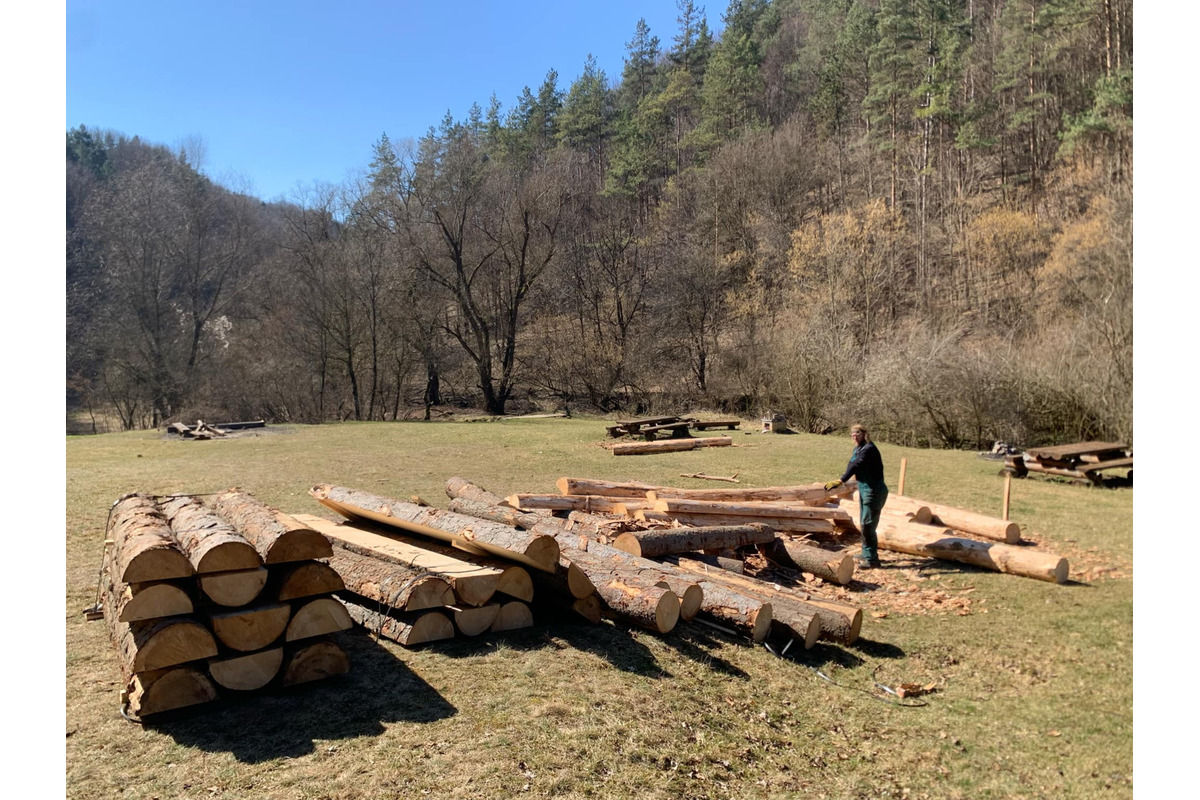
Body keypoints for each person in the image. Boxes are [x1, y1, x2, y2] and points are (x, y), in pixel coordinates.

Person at [825, 424, 887, 569]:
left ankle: (872, 560)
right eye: (852, 434)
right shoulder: (858, 448)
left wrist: (841, 481)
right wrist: (842, 478)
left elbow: (857, 465)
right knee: (864, 523)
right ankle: (866, 553)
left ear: (864, 434)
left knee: (868, 525)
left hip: (874, 491)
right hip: (865, 489)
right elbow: (851, 463)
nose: (855, 436)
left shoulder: (869, 449)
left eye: (857, 434)